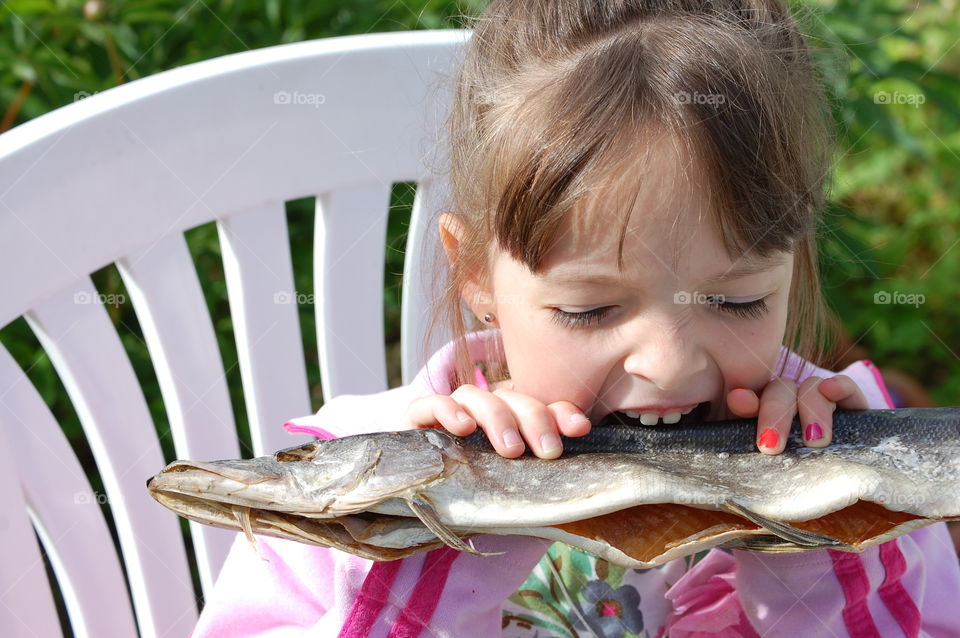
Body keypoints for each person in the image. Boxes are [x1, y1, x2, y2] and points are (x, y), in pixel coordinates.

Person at [192, 1, 960, 636]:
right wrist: (436, 535)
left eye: (736, 301)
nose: (667, 364)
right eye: (590, 309)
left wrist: (827, 532)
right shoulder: (343, 496)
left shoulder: (872, 472)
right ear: (476, 276)